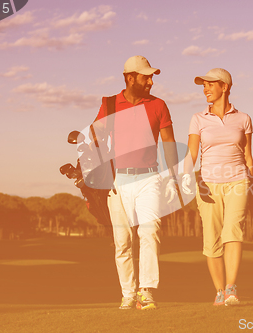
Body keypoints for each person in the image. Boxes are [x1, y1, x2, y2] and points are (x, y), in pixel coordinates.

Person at [94, 55, 179, 310]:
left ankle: (146, 291)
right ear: (130, 78)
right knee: (122, 241)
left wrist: (174, 176)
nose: (151, 81)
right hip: (118, 180)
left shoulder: (159, 105)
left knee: (150, 231)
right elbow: (96, 140)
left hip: (149, 178)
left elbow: (169, 143)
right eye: (146, 76)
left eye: (152, 76)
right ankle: (128, 292)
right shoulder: (109, 105)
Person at [182, 68, 253, 306]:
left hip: (238, 180)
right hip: (207, 184)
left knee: (233, 231)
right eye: (203, 85)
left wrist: (252, 185)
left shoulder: (243, 119)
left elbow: (248, 156)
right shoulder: (198, 118)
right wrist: (184, 177)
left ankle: (232, 289)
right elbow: (192, 153)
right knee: (211, 239)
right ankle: (220, 291)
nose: (205, 89)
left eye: (210, 84)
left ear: (224, 86)